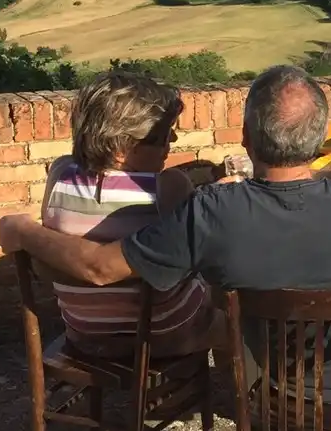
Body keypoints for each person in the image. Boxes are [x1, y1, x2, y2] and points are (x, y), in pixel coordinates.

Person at [0, 64, 331, 409]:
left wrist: (21, 228)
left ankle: (256, 399)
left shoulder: (207, 211)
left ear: (246, 138)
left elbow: (102, 263)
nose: (171, 141)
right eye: (163, 137)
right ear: (319, 139)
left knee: (234, 302)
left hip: (277, 380)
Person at [37, 71, 223, 357]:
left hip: (85, 335)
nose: (173, 139)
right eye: (162, 136)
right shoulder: (168, 187)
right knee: (235, 311)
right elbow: (201, 257)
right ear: (122, 149)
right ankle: (235, 382)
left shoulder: (60, 174)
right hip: (162, 336)